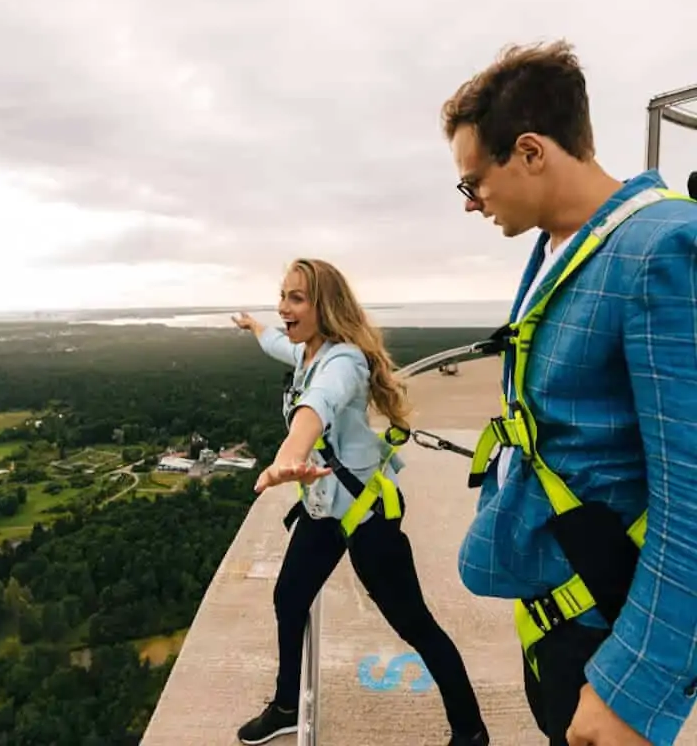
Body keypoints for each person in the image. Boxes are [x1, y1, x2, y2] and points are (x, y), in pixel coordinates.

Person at [440, 39, 697, 746]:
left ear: (529, 151)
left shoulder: (663, 249)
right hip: (556, 615)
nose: (471, 204)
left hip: (605, 637)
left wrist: (633, 689)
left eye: (472, 182)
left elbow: (694, 490)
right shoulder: (563, 244)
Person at [231, 257, 489, 746]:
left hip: (365, 516)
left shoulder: (342, 361)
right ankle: (287, 706)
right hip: (325, 511)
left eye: (296, 298)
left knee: (415, 624)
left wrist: (289, 455)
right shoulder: (308, 351)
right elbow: (277, 345)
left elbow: (317, 403)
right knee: (289, 598)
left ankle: (471, 731)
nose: (283, 307)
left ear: (324, 306)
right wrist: (254, 326)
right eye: (281, 296)